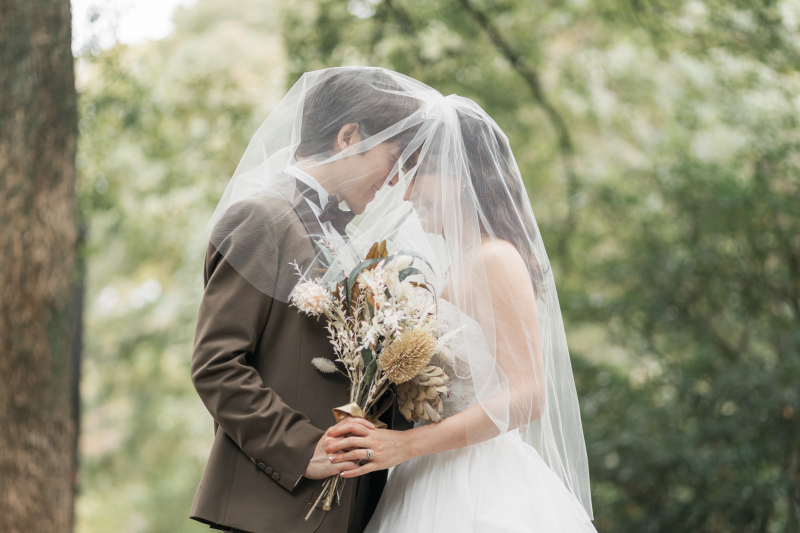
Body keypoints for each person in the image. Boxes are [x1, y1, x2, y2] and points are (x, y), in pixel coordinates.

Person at [323, 95, 598, 532]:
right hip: (426, 476)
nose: (407, 193)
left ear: (463, 174)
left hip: (477, 484)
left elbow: (528, 396)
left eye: (419, 175)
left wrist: (406, 445)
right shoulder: (459, 265)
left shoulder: (495, 260)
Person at [189, 67, 419, 533]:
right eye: (393, 157)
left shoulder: (346, 239)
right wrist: (300, 448)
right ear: (348, 136)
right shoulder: (261, 219)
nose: (395, 180)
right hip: (275, 509)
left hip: (347, 508)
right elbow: (216, 364)